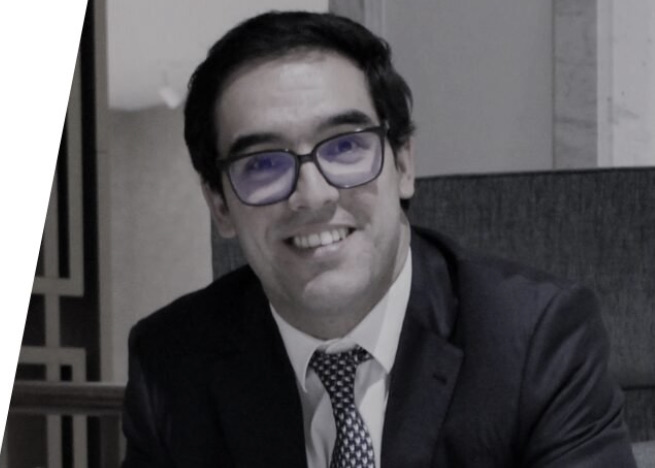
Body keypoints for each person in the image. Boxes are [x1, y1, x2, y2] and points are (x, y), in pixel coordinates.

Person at [121, 10, 636, 468]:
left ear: (404, 164)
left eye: (345, 146)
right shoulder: (173, 361)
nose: (313, 195)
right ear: (219, 205)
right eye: (262, 164)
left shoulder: (533, 338)